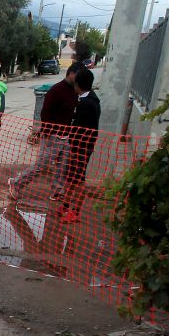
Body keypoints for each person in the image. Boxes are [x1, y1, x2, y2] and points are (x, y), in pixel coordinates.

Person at [7, 63, 81, 201]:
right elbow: (45, 112)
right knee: (41, 166)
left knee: (62, 167)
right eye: (78, 75)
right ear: (71, 73)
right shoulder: (56, 90)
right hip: (52, 135)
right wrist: (46, 132)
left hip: (66, 135)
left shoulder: (74, 91)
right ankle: (16, 183)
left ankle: (57, 191)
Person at [59, 67, 101, 223]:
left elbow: (85, 129)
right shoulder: (88, 99)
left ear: (77, 85)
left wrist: (76, 146)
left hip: (81, 148)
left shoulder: (87, 103)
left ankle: (75, 211)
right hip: (78, 146)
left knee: (78, 181)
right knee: (71, 178)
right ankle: (65, 206)